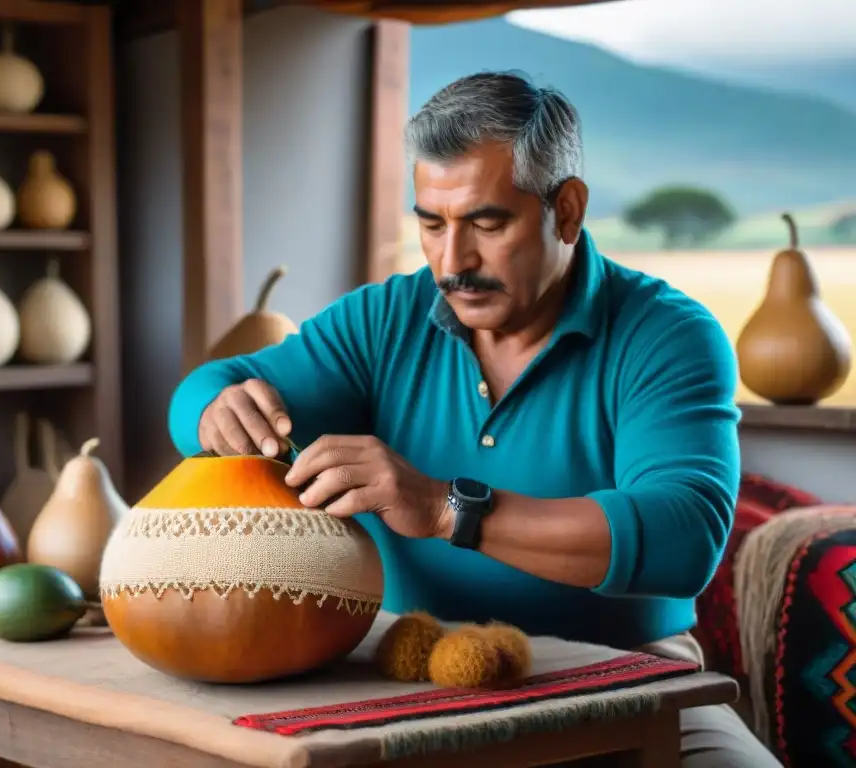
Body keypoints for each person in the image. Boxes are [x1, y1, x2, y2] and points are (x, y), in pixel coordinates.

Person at [169, 72, 780, 767]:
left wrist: (443, 508)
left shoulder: (666, 334)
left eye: (487, 224)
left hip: (628, 679)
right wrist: (217, 410)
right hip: (409, 676)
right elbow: (203, 392)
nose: (452, 262)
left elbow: (684, 537)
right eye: (431, 224)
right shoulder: (381, 319)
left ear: (568, 211)